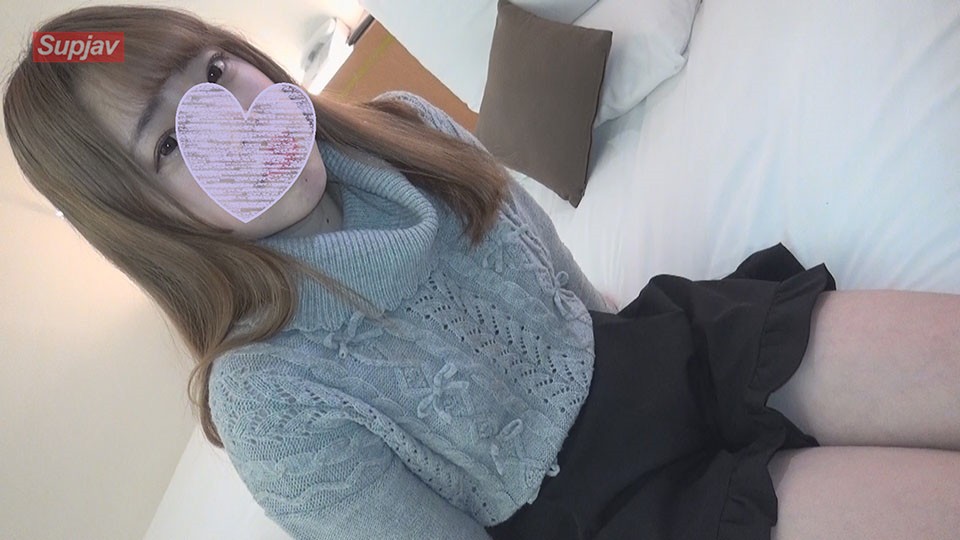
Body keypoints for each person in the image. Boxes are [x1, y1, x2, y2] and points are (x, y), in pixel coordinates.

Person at [4, 5, 958, 540]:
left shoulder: (407, 126)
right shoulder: (267, 401)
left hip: (647, 355)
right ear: (144, 221)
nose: (233, 120)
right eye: (172, 142)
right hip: (604, 516)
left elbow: (564, 283)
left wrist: (643, 343)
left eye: (214, 71)